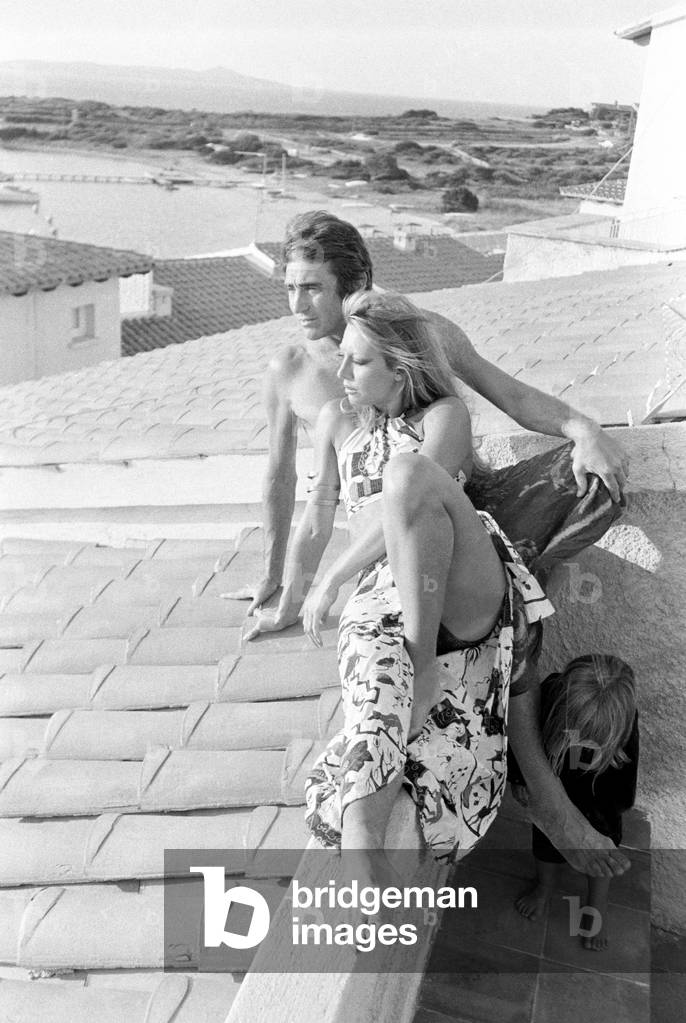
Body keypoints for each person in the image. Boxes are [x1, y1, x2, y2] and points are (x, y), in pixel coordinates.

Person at [226, 211, 631, 878]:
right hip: (381, 565)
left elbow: (509, 393)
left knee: (567, 527)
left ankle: (538, 774)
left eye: (313, 288)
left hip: (457, 525)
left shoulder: (421, 337)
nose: (297, 305)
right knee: (419, 661)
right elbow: (289, 489)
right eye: (289, 288)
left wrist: (582, 426)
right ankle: (403, 819)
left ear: (356, 283)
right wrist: (279, 587)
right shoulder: (295, 371)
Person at [243, 289, 554, 864]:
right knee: (375, 688)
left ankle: (422, 661)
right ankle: (363, 828)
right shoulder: (338, 423)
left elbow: (408, 503)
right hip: (378, 595)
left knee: (407, 475)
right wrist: (292, 594)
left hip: (456, 579)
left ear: (401, 367)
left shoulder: (444, 415)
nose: (340, 373)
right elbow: (316, 515)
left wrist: (332, 576)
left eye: (357, 362)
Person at [512, 655, 639, 950]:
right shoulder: (550, 692)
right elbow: (522, 737)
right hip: (553, 791)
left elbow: (625, 787)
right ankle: (544, 886)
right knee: (545, 844)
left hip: (600, 803)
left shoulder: (626, 723)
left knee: (601, 855)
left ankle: (596, 904)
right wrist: (521, 779)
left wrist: (601, 818)